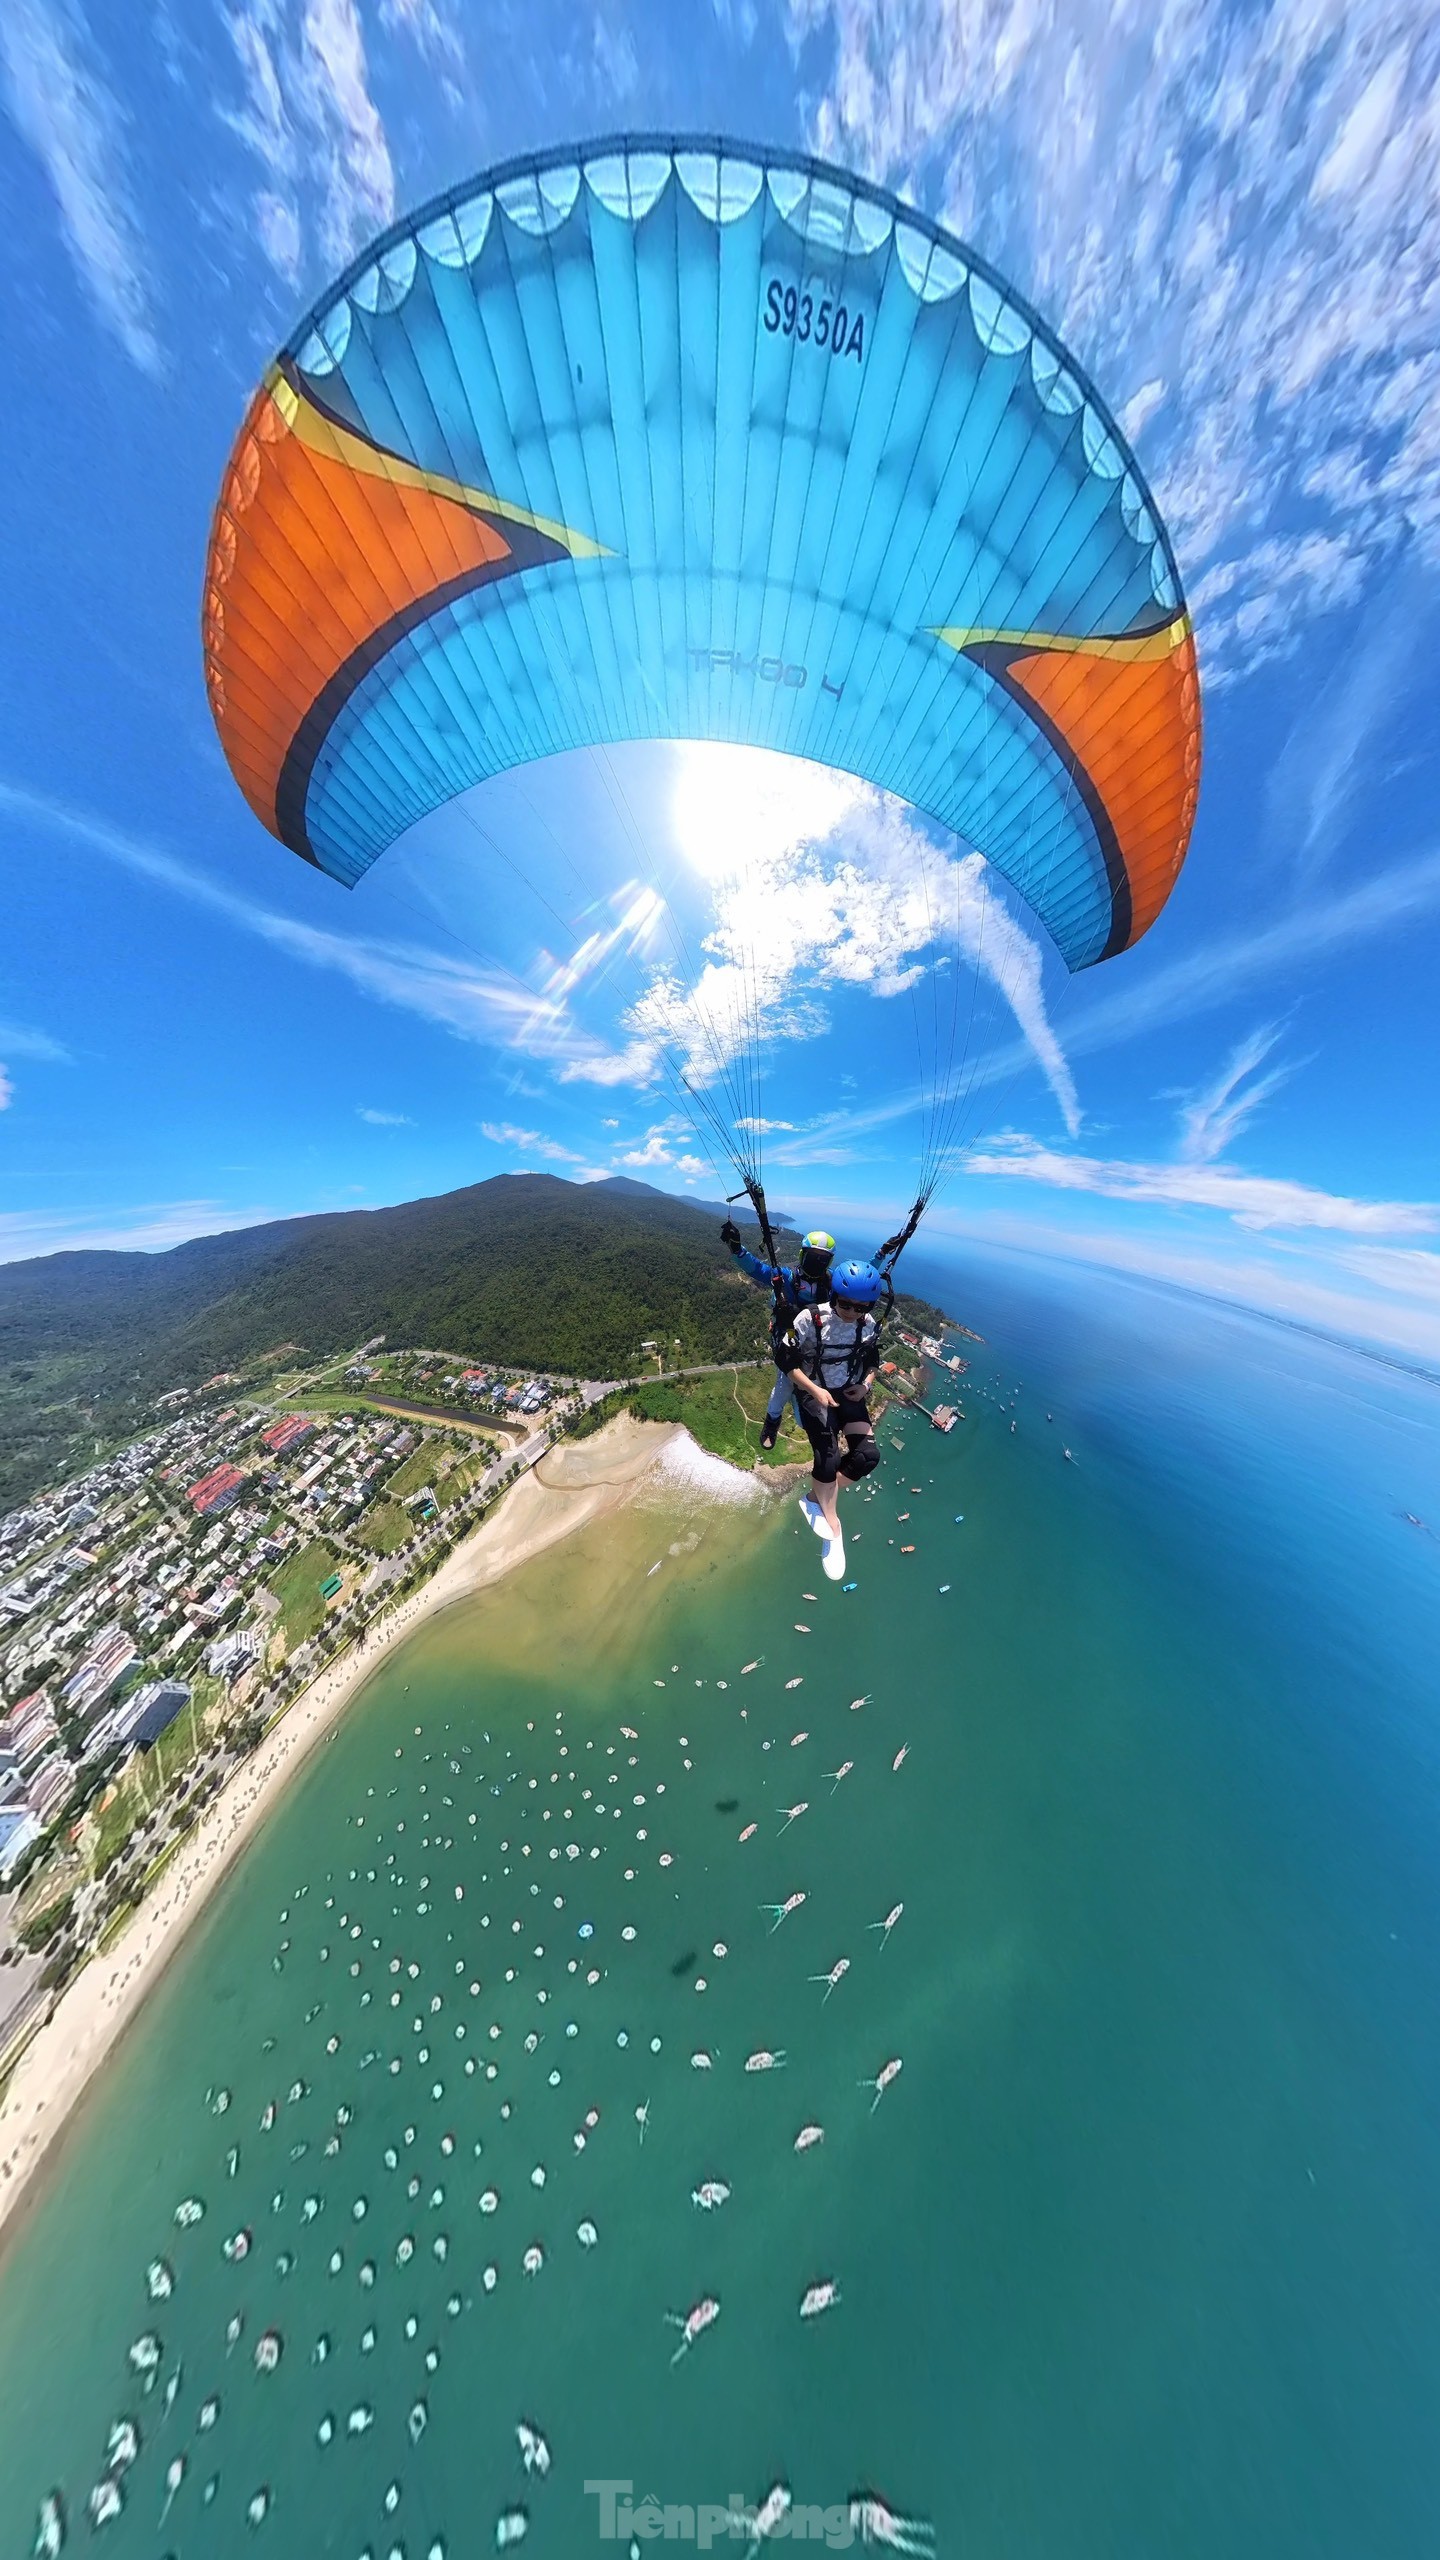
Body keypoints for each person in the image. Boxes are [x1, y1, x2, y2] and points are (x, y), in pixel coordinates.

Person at [780, 1258, 884, 1582]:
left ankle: (817, 1496)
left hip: (847, 1391)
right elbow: (786, 1361)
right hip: (813, 1391)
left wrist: (865, 1385)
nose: (853, 1311)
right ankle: (834, 1528)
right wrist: (814, 1389)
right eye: (846, 1304)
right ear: (835, 1296)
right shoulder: (809, 1319)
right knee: (828, 1457)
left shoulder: (867, 1325)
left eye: (861, 1306)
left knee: (867, 1457)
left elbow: (872, 1360)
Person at [720, 1222, 835, 1449]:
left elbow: (856, 1282)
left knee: (819, 1378)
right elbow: (758, 1270)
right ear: (803, 1256)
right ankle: (772, 1422)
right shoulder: (788, 1277)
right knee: (785, 1381)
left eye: (822, 1259)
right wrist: (736, 1249)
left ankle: (812, 1420)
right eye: (814, 1257)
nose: (817, 1263)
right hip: (787, 1337)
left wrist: (881, 1254)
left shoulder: (831, 1283)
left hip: (814, 1341)